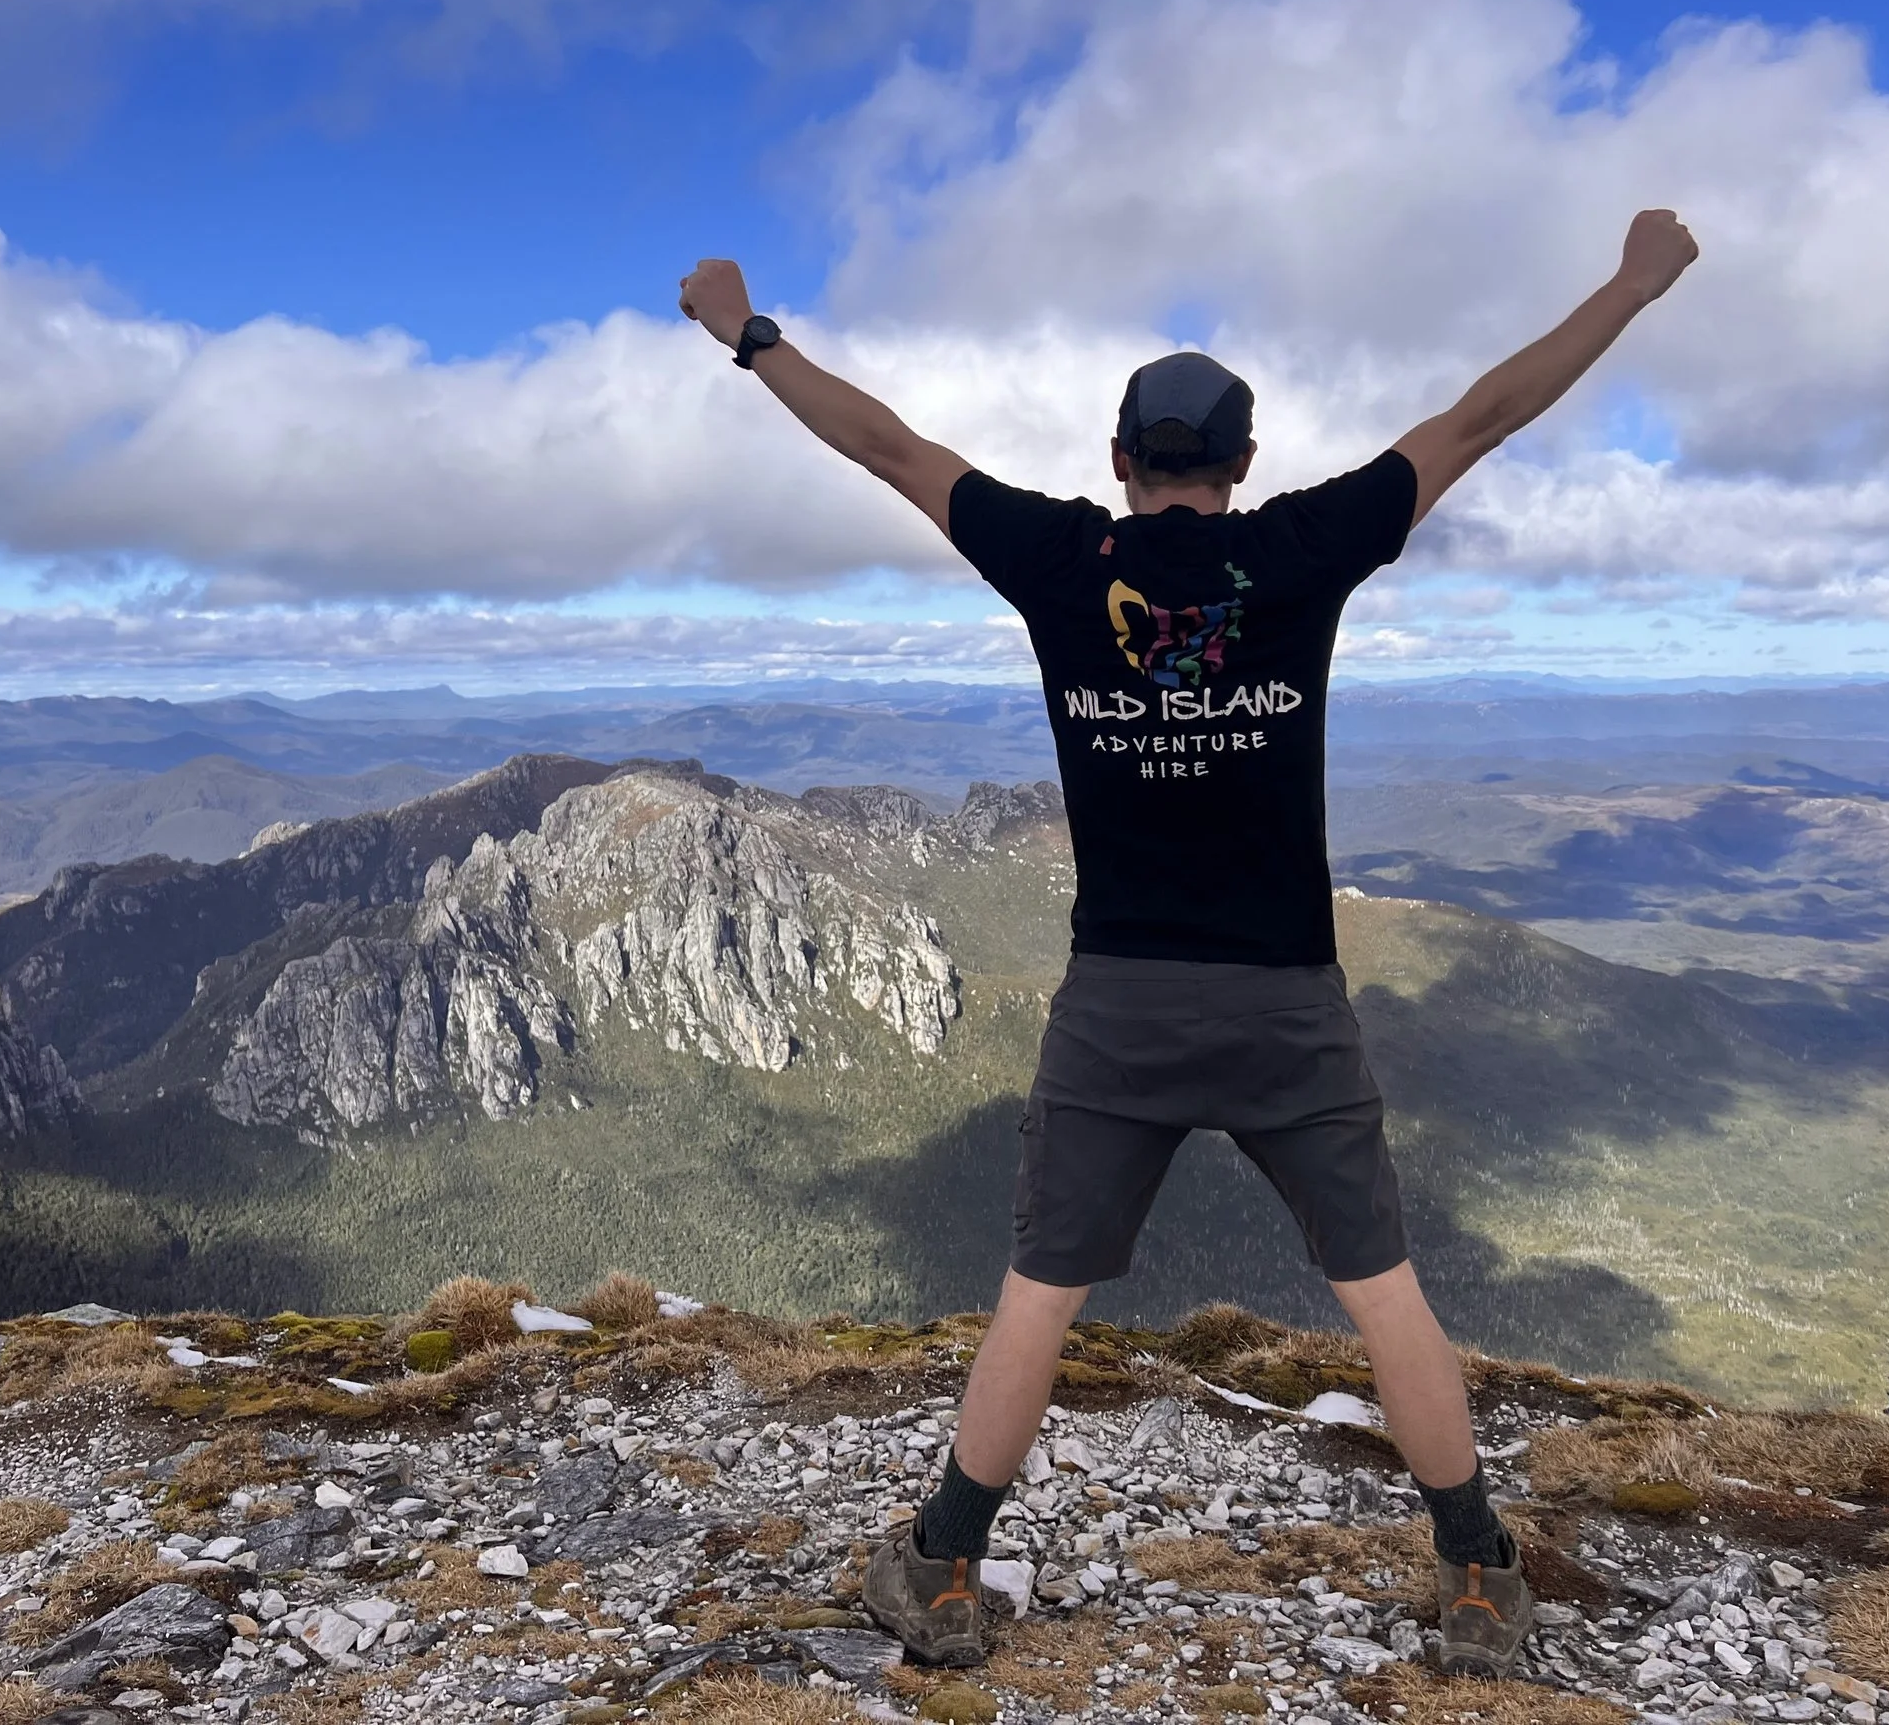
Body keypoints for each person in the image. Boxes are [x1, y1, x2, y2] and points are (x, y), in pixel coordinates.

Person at [676, 208, 1698, 1679]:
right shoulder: (1305, 548)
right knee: (1382, 1282)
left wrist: (749, 332)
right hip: (1287, 994)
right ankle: (1478, 1572)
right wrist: (1633, 285)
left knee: (1045, 1284)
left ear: (1118, 462)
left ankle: (943, 1565)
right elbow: (1485, 413)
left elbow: (890, 448)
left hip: (1122, 1001)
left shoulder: (1052, 554)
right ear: (1241, 465)